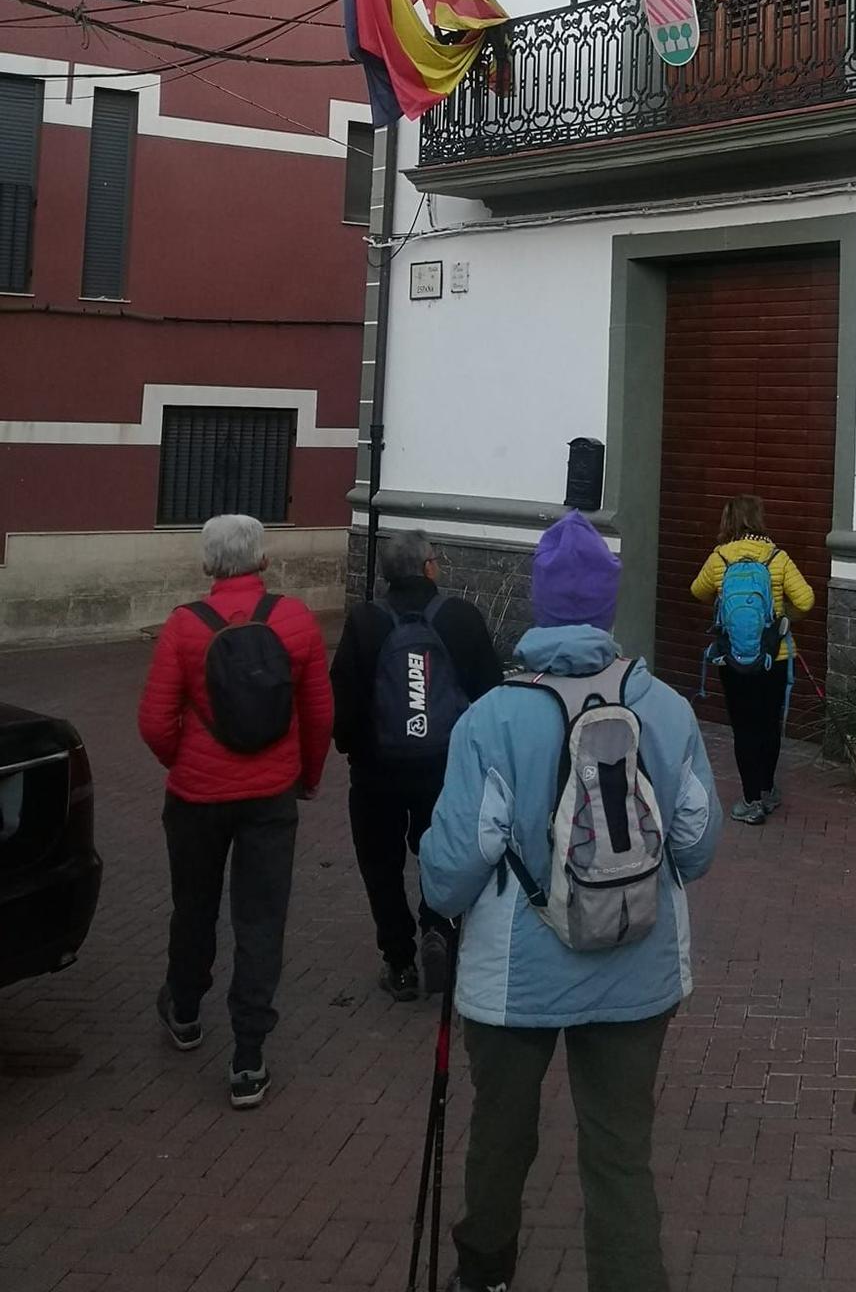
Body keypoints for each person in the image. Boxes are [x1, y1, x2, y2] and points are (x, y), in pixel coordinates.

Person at [420, 509, 722, 1292]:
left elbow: (450, 872)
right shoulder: (665, 708)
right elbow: (696, 843)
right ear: (609, 606)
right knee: (620, 1154)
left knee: (500, 1136)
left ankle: (484, 1271)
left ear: (539, 603)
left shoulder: (490, 718)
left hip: (516, 979)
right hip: (640, 967)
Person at [137, 513, 333, 1110]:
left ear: (207, 565)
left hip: (197, 797)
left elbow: (153, 721)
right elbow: (320, 714)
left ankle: (188, 1010)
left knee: (193, 905)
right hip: (270, 796)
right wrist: (306, 775)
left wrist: (186, 759)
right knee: (261, 919)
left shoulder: (183, 628)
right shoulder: (296, 620)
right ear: (263, 561)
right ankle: (248, 1056)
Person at [331, 530, 503, 1000]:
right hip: (444, 772)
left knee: (380, 866)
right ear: (429, 567)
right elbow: (491, 694)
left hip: (376, 773)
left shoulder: (364, 621)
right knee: (442, 854)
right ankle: (438, 929)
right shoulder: (461, 618)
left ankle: (400, 962)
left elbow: (341, 704)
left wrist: (352, 748)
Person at [690, 494, 814, 824]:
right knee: (769, 724)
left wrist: (725, 609)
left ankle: (750, 801)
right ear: (759, 518)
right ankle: (768, 790)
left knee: (744, 728)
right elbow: (806, 600)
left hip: (734, 657)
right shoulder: (777, 557)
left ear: (728, 520)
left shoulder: (719, 558)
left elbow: (697, 591)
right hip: (776, 655)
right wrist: (779, 618)